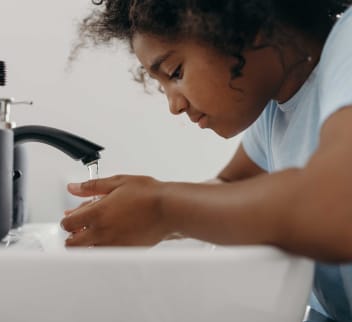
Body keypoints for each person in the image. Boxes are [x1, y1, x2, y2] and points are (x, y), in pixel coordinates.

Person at [60, 1, 352, 321]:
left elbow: (337, 207)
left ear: (244, 25)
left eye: (175, 72)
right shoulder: (276, 109)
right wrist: (140, 214)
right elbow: (229, 187)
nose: (174, 105)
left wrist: (163, 209)